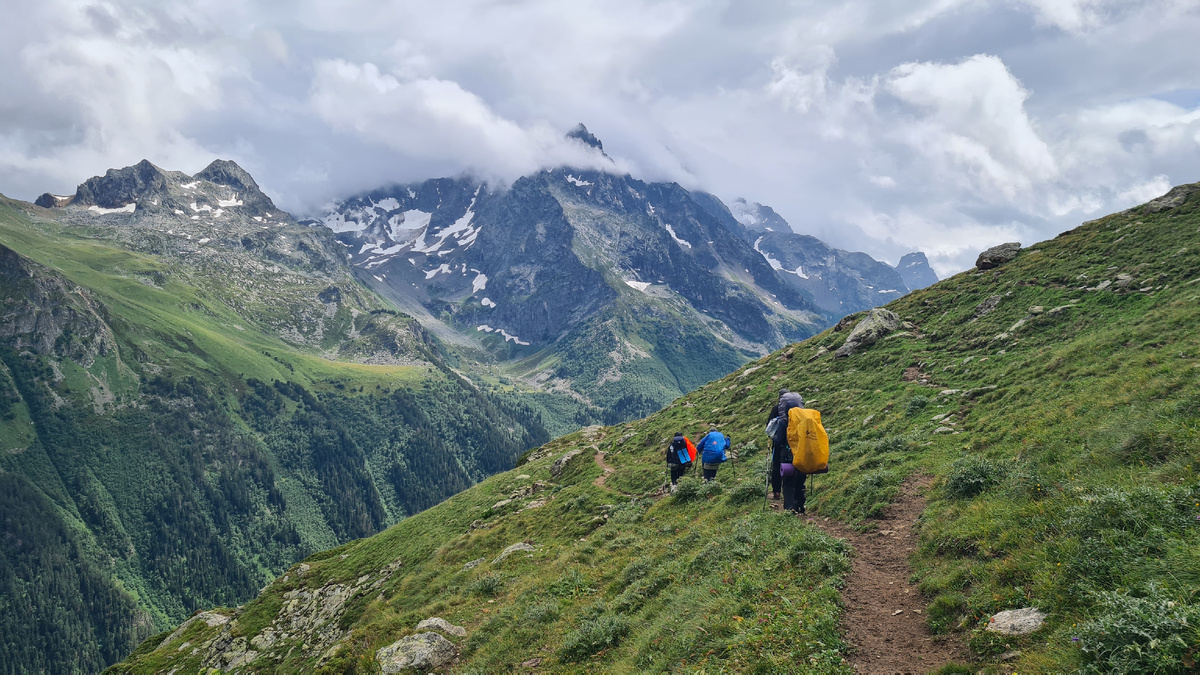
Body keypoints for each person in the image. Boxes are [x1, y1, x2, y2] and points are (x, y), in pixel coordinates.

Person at [772, 389, 807, 514]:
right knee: (800, 480)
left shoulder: (783, 422)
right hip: (802, 455)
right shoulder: (805, 421)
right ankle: (800, 505)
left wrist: (775, 438)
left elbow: (778, 440)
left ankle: (789, 508)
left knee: (788, 481)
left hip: (787, 456)